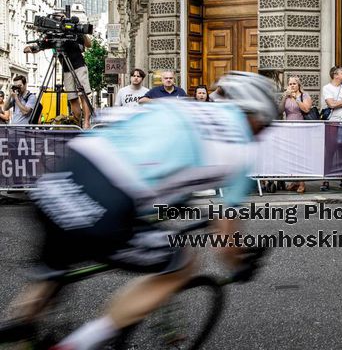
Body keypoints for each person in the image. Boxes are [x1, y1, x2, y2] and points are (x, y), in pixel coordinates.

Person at [4, 71, 277, 350]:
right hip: (107, 206)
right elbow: (226, 240)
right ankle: (79, 344)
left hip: (62, 177)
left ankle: (20, 331)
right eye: (264, 126)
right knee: (183, 263)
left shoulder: (179, 106)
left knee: (52, 270)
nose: (261, 133)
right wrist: (239, 264)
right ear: (253, 115)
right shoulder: (242, 150)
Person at [24, 21, 93, 128]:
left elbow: (89, 44)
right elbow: (42, 45)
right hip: (66, 69)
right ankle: (77, 124)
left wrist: (80, 30)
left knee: (83, 95)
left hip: (79, 66)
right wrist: (31, 49)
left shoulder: (72, 32)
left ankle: (86, 123)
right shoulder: (53, 35)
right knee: (72, 98)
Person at [279, 75, 313, 194]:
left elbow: (306, 109)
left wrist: (296, 98)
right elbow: (280, 111)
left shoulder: (305, 95)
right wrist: (284, 97)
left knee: (300, 155)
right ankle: (295, 181)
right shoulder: (287, 97)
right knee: (291, 155)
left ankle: (302, 182)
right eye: (290, 84)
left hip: (301, 128)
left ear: (298, 85)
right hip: (289, 128)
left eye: (294, 83)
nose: (292, 86)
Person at [320, 66, 342, 191]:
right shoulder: (327, 88)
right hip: (332, 123)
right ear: (335, 75)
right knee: (330, 151)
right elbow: (331, 104)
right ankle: (326, 180)